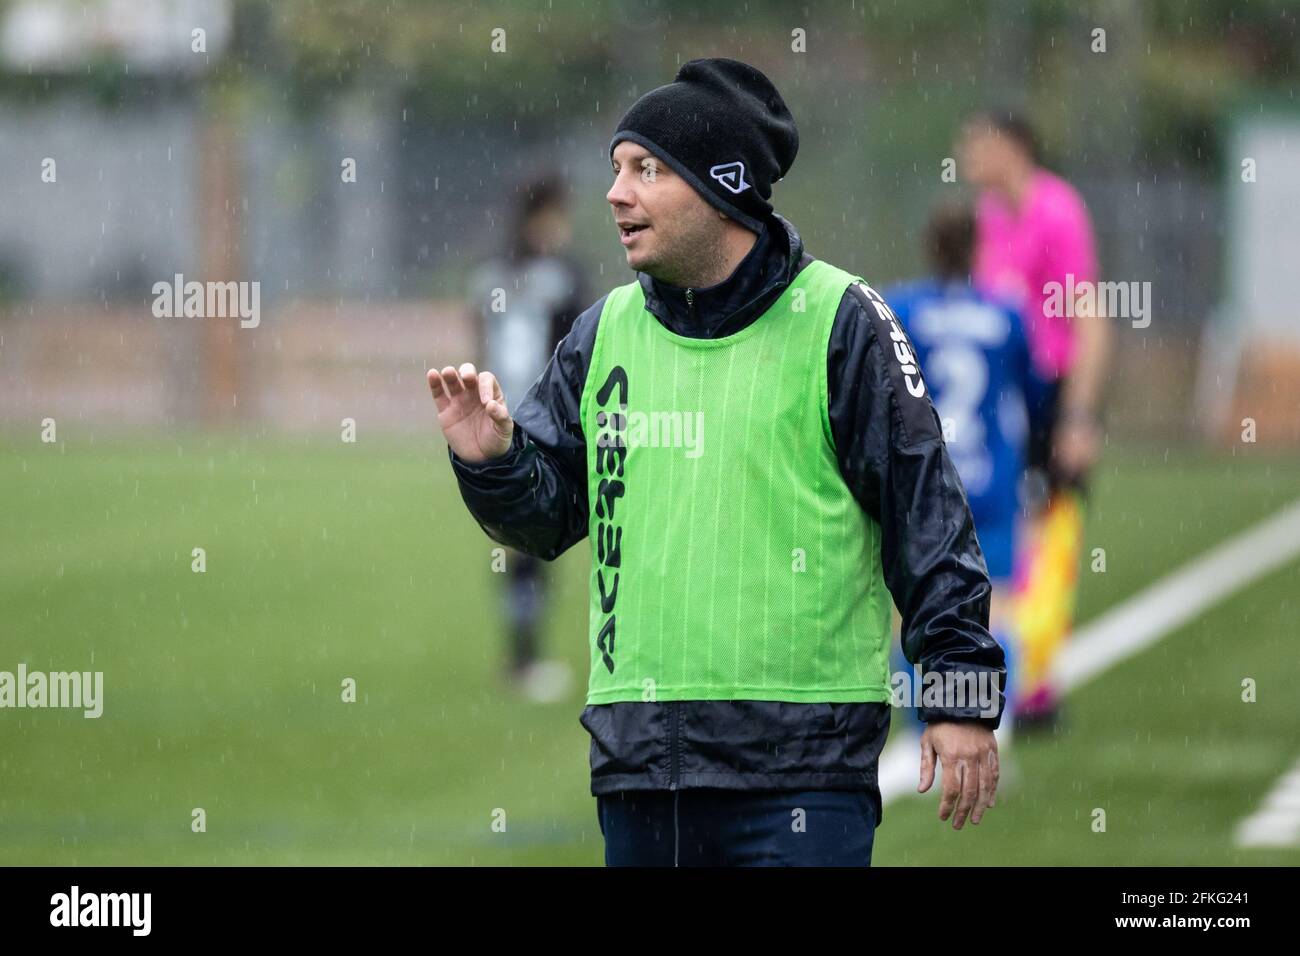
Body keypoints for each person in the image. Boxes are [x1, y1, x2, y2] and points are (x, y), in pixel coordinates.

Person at [429, 58, 1005, 866]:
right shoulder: (603, 333)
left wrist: (960, 697)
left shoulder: (843, 322)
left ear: (723, 187)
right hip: (641, 768)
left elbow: (931, 520)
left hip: (804, 773)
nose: (615, 193)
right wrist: (492, 461)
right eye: (615, 170)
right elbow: (548, 516)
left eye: (645, 170)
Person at [958, 111, 1111, 730]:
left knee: (1052, 532)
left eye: (975, 143)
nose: (965, 155)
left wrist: (1079, 414)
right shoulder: (988, 218)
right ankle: (1012, 669)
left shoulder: (1056, 209)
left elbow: (1090, 317)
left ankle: (1035, 683)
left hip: (1051, 392)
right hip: (1005, 394)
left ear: (1011, 147)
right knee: (1004, 534)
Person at [886, 201, 1048, 751]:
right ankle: (988, 730)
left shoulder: (902, 308)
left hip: (926, 482)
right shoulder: (1006, 313)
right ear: (979, 248)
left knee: (911, 608)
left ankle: (920, 731)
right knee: (996, 607)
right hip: (992, 482)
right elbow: (1036, 393)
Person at [466, 175, 587, 703]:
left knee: (517, 542)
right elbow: (576, 351)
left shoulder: (490, 273)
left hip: (493, 413)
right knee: (534, 541)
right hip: (541, 417)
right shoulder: (562, 276)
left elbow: (478, 340)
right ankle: (524, 659)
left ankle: (521, 655)